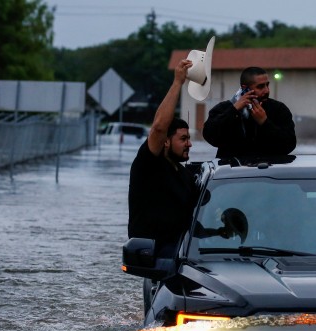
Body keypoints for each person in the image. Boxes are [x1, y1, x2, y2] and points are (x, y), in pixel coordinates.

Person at [127, 59, 200, 258]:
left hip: (186, 252)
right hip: (157, 255)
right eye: (183, 139)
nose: (189, 144)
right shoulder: (149, 164)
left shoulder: (185, 175)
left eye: (189, 139)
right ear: (165, 142)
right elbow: (159, 127)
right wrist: (178, 83)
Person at [202, 66, 296, 158]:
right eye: (260, 87)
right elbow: (210, 136)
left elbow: (289, 145)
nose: (266, 90)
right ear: (245, 88)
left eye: (267, 85)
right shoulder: (224, 108)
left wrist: (265, 123)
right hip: (232, 171)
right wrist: (233, 110)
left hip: (268, 170)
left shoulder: (278, 109)